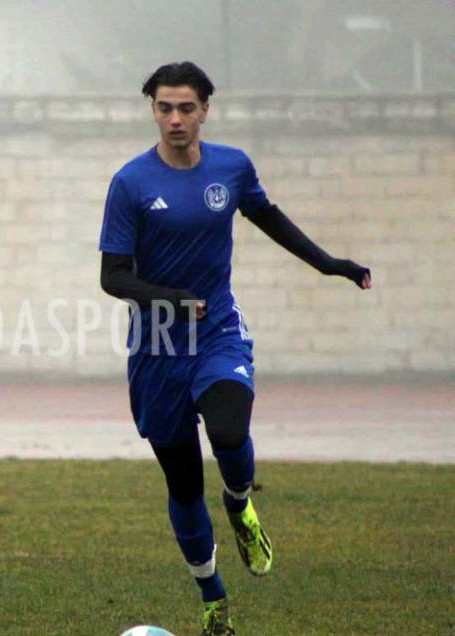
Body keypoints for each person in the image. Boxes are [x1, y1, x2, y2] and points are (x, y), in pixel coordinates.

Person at [98, 62, 370, 636]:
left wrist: (330, 265)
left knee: (227, 432)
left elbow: (269, 218)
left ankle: (240, 499)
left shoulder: (232, 167)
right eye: (164, 108)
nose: (175, 119)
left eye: (186, 108)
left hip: (218, 332)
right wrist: (170, 299)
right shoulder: (131, 183)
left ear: (205, 110)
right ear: (153, 111)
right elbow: (113, 277)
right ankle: (212, 595)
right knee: (182, 484)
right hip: (156, 349)